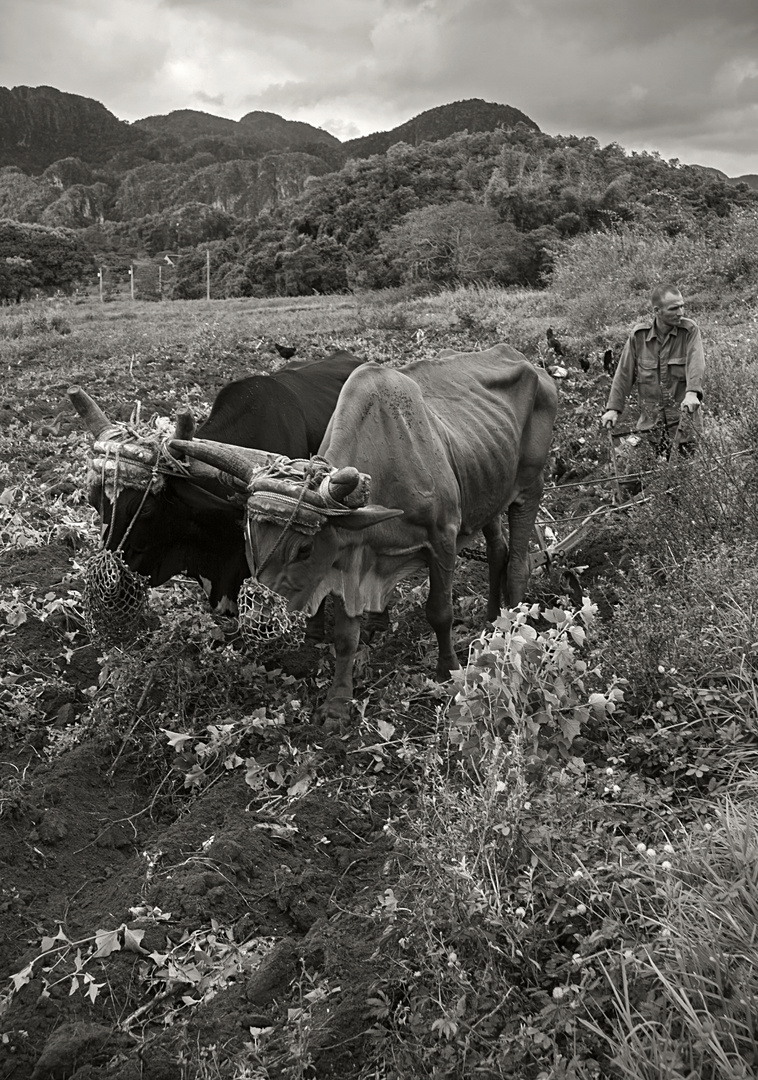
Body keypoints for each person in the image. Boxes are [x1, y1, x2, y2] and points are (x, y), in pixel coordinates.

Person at [601, 285, 704, 455]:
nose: (681, 312)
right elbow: (624, 374)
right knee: (634, 476)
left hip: (683, 425)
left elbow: (696, 363)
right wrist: (613, 409)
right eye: (674, 308)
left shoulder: (689, 331)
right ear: (657, 310)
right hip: (650, 426)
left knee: (683, 476)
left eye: (682, 306)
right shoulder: (639, 336)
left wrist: (692, 392)